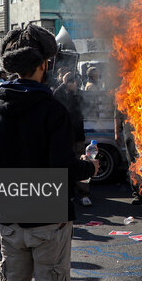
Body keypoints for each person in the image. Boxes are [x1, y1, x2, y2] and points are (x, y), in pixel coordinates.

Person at [0, 24, 98, 280]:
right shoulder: (54, 111)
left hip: (11, 222)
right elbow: (63, 167)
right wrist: (90, 167)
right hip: (49, 223)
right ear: (43, 66)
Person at [54, 72, 91, 207]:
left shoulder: (79, 94)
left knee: (81, 164)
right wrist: (64, 83)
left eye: (73, 81)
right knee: (65, 166)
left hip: (78, 136)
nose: (73, 84)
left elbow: (84, 106)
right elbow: (55, 97)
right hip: (64, 136)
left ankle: (84, 194)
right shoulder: (60, 94)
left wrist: (75, 93)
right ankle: (68, 194)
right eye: (70, 82)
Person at [115, 109, 142, 205]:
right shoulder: (122, 95)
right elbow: (117, 115)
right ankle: (138, 194)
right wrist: (116, 132)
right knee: (133, 163)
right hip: (130, 133)